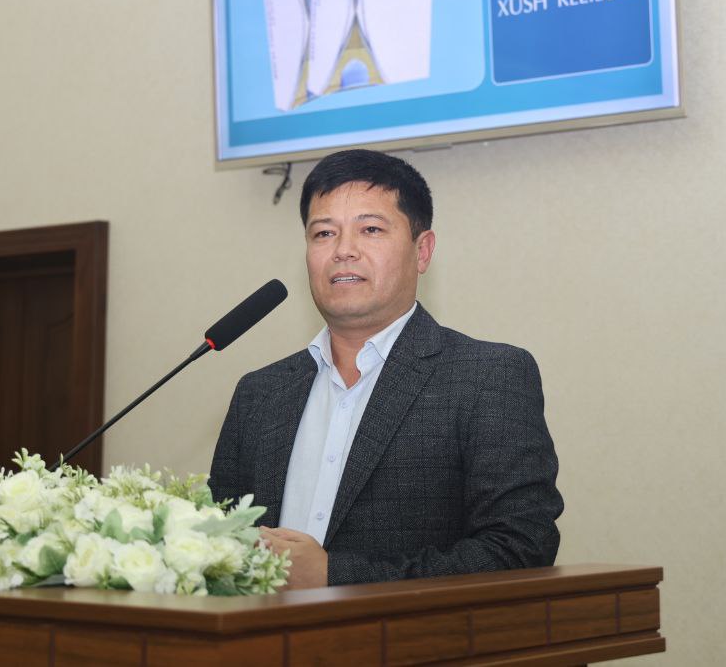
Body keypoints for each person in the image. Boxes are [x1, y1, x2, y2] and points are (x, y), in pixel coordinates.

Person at [208, 148, 563, 588]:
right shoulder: (259, 394)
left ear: (422, 250)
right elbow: (218, 543)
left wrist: (333, 575)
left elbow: (520, 549)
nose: (343, 251)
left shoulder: (488, 377)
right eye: (323, 233)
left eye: (371, 229)